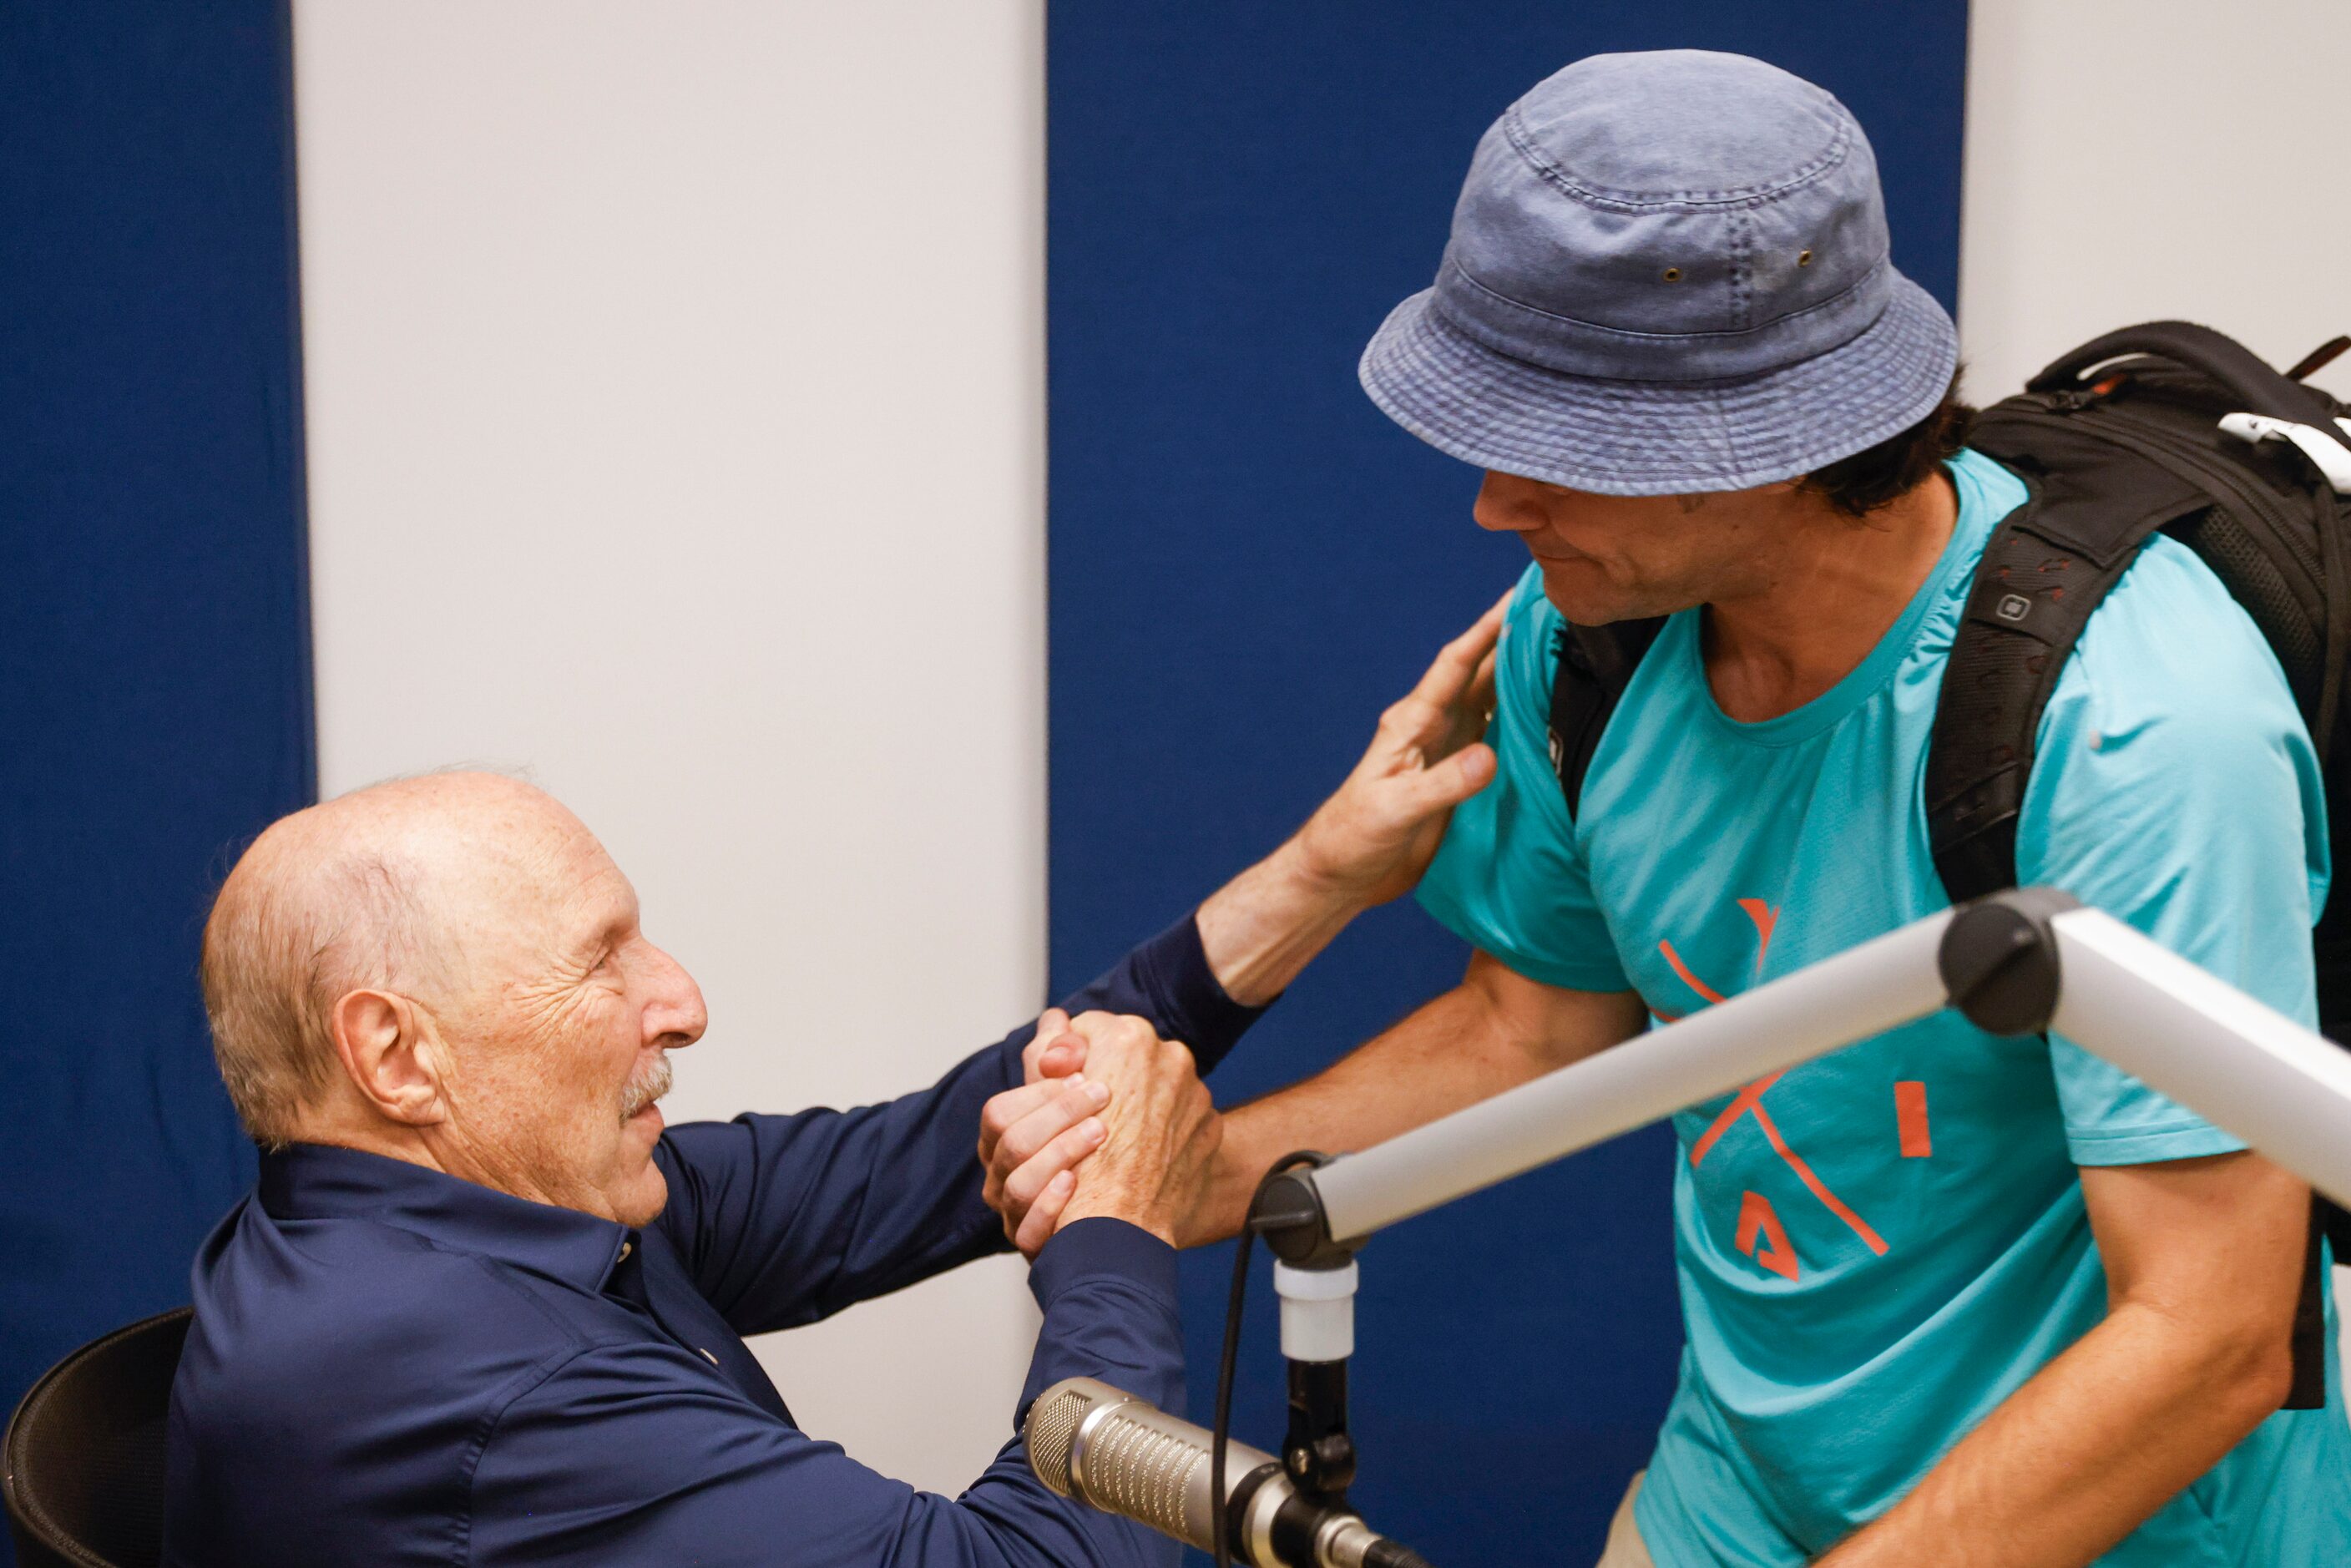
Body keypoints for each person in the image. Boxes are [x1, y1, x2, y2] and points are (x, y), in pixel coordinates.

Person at [1164, 49, 2351, 1568]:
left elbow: (2207, 1332)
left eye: (1559, 444)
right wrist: (1204, 1176)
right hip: (1730, 1495)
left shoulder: (2136, 724)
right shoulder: (1587, 638)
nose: (1492, 502)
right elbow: (1537, 1020)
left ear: (1773, 443)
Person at [160, 611, 1506, 1568]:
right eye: (600, 958)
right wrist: (1119, 1225)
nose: (680, 997)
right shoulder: (475, 1387)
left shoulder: (463, 1216)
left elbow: (899, 1174)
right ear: (398, 1056)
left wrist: (1314, 881)